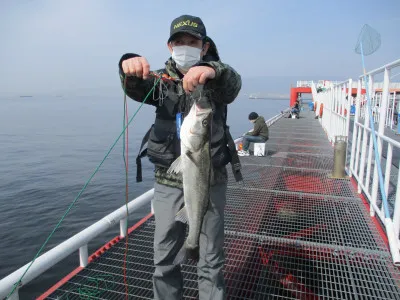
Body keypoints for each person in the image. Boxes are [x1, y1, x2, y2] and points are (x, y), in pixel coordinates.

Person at [119, 14, 242, 300]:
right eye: (179, 42)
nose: (185, 46)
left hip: (210, 180)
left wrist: (212, 70)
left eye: (193, 41)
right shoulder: (159, 81)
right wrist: (127, 64)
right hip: (167, 181)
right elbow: (134, 86)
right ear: (169, 46)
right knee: (164, 261)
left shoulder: (217, 79)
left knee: (211, 261)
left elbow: (232, 82)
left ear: (204, 46)